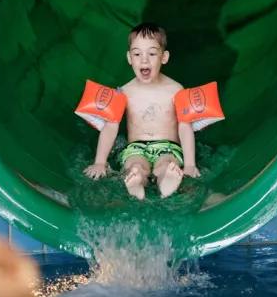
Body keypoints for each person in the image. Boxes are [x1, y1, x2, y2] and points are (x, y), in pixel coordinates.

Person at [83, 23, 201, 200]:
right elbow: (110, 127)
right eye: (137, 54)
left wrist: (190, 165)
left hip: (167, 146)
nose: (144, 60)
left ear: (164, 57)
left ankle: (166, 183)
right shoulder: (124, 92)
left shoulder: (176, 90)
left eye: (152, 54)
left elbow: (185, 127)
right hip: (135, 148)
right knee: (135, 166)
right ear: (129, 58)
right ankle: (137, 185)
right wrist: (100, 161)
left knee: (167, 164)